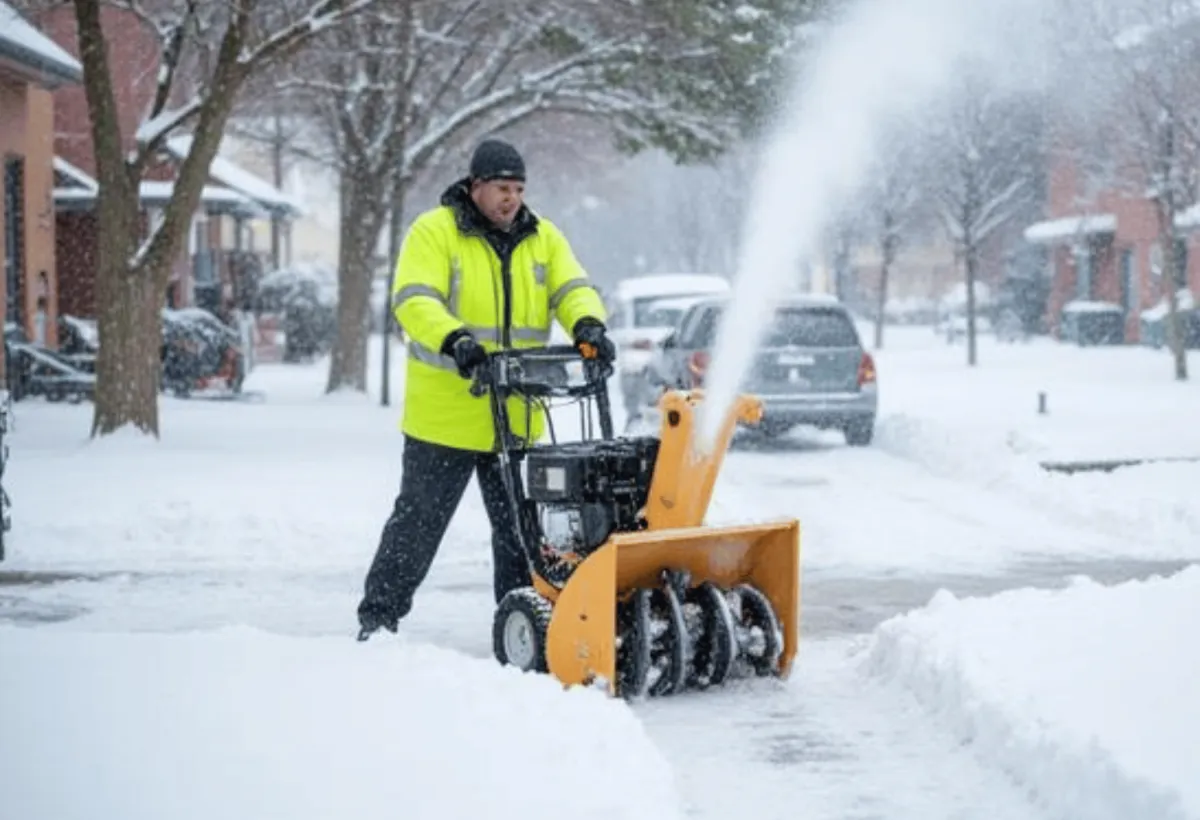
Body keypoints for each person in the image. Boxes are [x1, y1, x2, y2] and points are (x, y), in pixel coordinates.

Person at [356, 138, 615, 641]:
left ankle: (521, 624)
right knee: (417, 526)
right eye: (501, 187)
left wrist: (588, 325)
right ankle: (378, 619)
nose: (511, 198)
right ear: (475, 186)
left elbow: (572, 287)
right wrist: (456, 340)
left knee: (522, 532)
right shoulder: (435, 233)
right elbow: (413, 299)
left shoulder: (542, 237)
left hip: (516, 415)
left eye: (518, 188)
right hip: (446, 418)